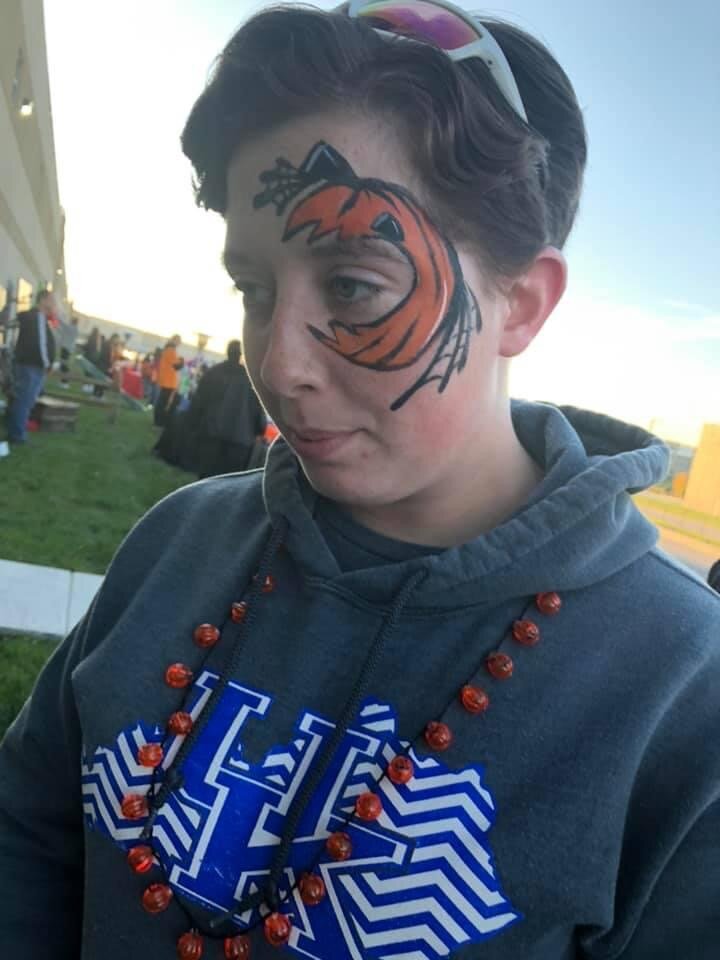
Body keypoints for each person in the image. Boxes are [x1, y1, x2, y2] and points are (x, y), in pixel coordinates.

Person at [1, 4, 718, 959]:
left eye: (352, 287)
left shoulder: (684, 692)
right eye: (254, 290)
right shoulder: (179, 543)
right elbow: (29, 834)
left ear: (522, 305)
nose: (276, 361)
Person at [189, 338, 266, 477]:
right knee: (228, 484)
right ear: (241, 354)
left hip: (212, 434)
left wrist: (195, 425)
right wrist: (259, 429)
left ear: (227, 352)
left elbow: (198, 401)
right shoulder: (250, 379)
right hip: (240, 441)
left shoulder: (213, 373)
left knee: (206, 480)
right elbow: (258, 409)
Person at [5, 288, 57, 443]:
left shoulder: (33, 316)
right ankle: (17, 436)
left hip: (27, 365)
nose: (54, 304)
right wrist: (47, 365)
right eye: (52, 300)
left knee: (21, 401)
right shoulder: (38, 317)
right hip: (32, 367)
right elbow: (40, 344)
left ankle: (15, 432)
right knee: (24, 402)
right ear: (43, 300)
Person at [153, 333, 184, 426]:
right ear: (174, 340)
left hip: (166, 380)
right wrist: (181, 361)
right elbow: (176, 365)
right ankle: (159, 422)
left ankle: (158, 421)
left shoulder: (168, 349)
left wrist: (179, 361)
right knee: (163, 403)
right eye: (178, 341)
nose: (179, 343)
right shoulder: (171, 349)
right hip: (168, 381)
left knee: (162, 402)